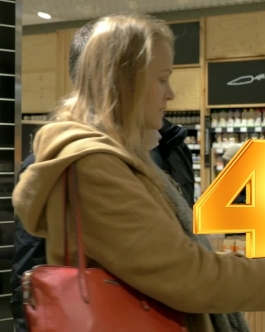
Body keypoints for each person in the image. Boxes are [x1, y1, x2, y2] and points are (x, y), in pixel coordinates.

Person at [11, 13, 265, 332]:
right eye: (162, 79)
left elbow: (176, 260)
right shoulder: (94, 166)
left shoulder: (123, 156)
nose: (170, 94)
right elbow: (189, 276)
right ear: (124, 82)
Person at [9, 19, 204, 332]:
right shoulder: (64, 164)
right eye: (158, 78)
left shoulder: (171, 147)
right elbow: (33, 269)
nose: (170, 93)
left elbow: (185, 241)